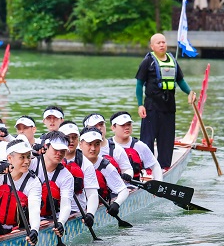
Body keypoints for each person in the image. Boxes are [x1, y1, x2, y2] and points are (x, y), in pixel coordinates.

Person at [136, 33, 197, 168]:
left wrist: (190, 92)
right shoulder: (148, 62)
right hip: (151, 107)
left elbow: (180, 81)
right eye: (158, 43)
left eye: (163, 42)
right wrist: (140, 105)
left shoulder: (173, 61)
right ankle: (148, 167)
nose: (162, 45)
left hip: (168, 107)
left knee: (166, 140)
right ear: (152, 46)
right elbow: (139, 84)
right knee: (147, 139)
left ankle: (164, 167)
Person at [0, 139, 41, 246]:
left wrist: (34, 230)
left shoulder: (33, 182)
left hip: (20, 227)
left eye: (28, 157)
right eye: (22, 157)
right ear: (9, 158)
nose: (27, 161)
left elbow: (34, 209)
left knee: (14, 238)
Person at [78, 127, 129, 219]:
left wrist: (116, 204)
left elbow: (123, 190)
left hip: (97, 206)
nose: (93, 148)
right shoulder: (71, 162)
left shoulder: (105, 166)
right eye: (89, 144)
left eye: (97, 144)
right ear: (80, 144)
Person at [58, 121, 99, 229]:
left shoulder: (86, 164)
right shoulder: (51, 157)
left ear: (78, 140)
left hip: (74, 210)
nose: (71, 141)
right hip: (52, 211)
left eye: (74, 137)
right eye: (68, 137)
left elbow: (92, 194)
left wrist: (90, 214)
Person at [32, 132, 74, 237]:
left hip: (49, 218)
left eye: (62, 150)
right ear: (46, 146)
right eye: (56, 149)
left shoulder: (67, 176)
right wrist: (31, 152)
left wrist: (61, 222)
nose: (59, 153)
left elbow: (66, 205)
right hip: (26, 216)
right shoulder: (30, 164)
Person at [109, 111, 163, 181]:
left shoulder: (140, 146)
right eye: (123, 125)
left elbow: (155, 166)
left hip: (134, 184)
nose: (127, 127)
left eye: (129, 124)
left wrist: (158, 182)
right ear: (113, 128)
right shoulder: (106, 146)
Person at [82, 113, 134, 180]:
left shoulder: (117, 149)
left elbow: (128, 169)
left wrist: (127, 175)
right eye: (94, 126)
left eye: (101, 124)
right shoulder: (79, 150)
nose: (99, 128)